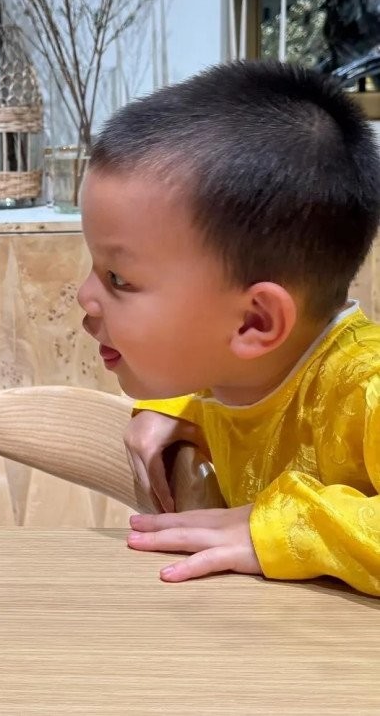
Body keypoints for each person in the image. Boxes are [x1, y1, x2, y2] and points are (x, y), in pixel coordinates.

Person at [77, 59, 380, 596]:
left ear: (256, 321)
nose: (84, 296)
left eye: (119, 278)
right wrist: (168, 408)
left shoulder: (367, 387)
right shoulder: (239, 366)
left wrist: (284, 528)